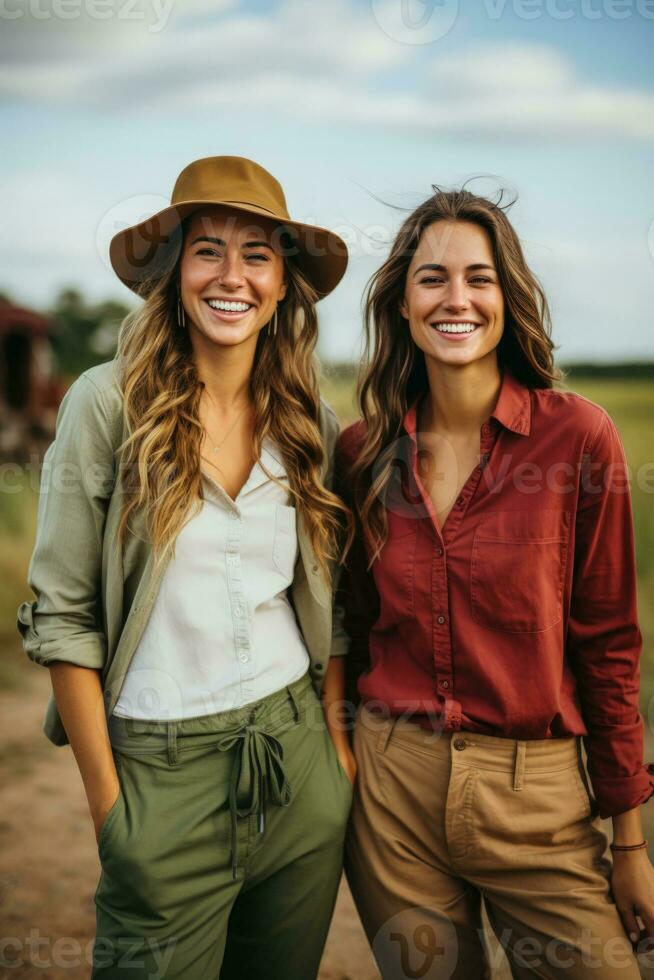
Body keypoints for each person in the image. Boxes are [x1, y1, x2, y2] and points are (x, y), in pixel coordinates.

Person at [18, 155, 355, 980]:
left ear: (283, 285)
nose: (231, 275)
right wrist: (111, 814)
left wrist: (337, 752)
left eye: (257, 255)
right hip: (159, 778)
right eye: (208, 250)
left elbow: (333, 597)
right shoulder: (105, 403)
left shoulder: (311, 417)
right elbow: (62, 616)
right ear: (173, 273)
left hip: (297, 764)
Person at [330, 185, 654, 978]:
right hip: (394, 791)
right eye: (432, 278)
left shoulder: (579, 436)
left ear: (508, 297)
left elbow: (607, 642)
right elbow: (349, 621)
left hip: (537, 794)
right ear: (401, 303)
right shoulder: (362, 452)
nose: (457, 298)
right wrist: (344, 749)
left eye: (479, 277)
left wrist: (631, 839)